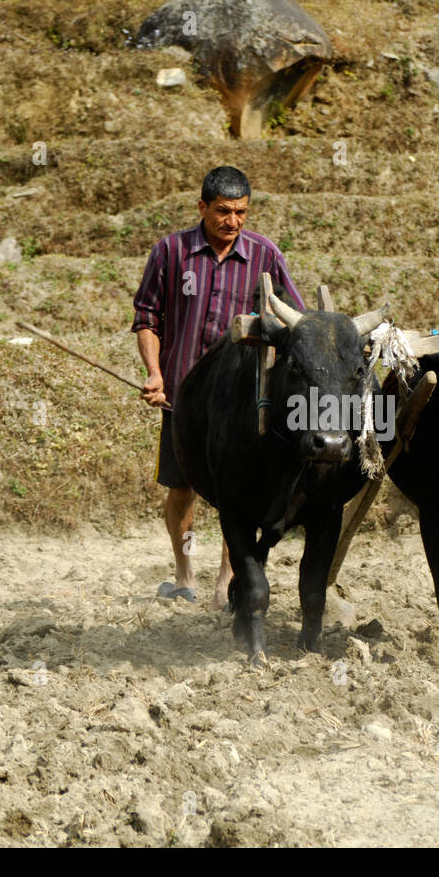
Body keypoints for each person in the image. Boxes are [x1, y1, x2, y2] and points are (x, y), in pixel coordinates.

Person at [131, 166, 305, 609]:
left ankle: (227, 581)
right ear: (202, 207)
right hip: (184, 397)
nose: (233, 221)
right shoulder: (170, 252)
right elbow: (147, 319)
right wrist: (154, 372)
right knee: (181, 486)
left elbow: (295, 320)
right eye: (223, 212)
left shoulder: (266, 256)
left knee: (239, 491)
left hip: (241, 399)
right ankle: (184, 573)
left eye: (241, 212)